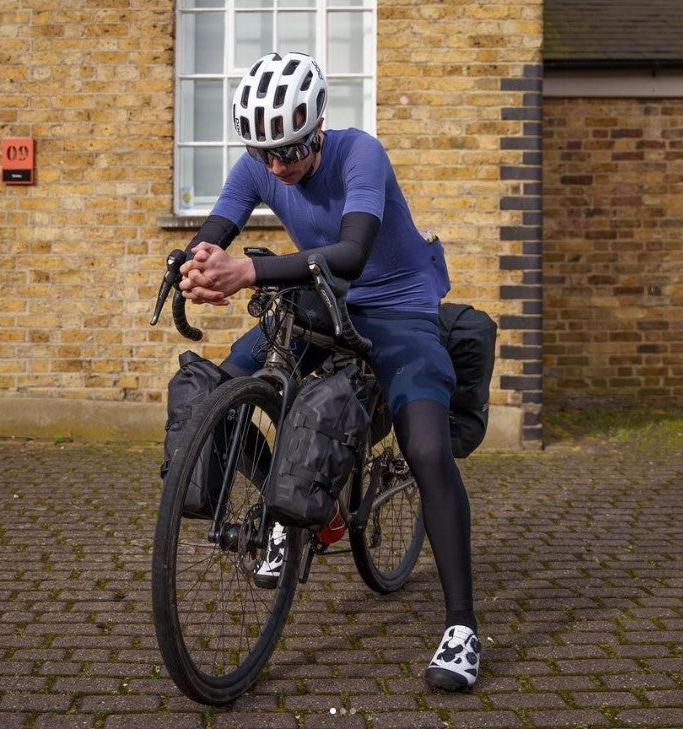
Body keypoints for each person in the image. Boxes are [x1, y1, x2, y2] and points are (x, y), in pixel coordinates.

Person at [178, 51, 480, 691]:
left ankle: (462, 628)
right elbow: (219, 226)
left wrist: (248, 272)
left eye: (288, 150)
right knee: (224, 388)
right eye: (265, 154)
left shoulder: (360, 153)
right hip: (318, 304)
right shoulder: (259, 165)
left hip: (396, 308)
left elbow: (349, 254)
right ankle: (299, 513)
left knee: (426, 447)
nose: (277, 167)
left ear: (317, 127)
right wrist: (195, 260)